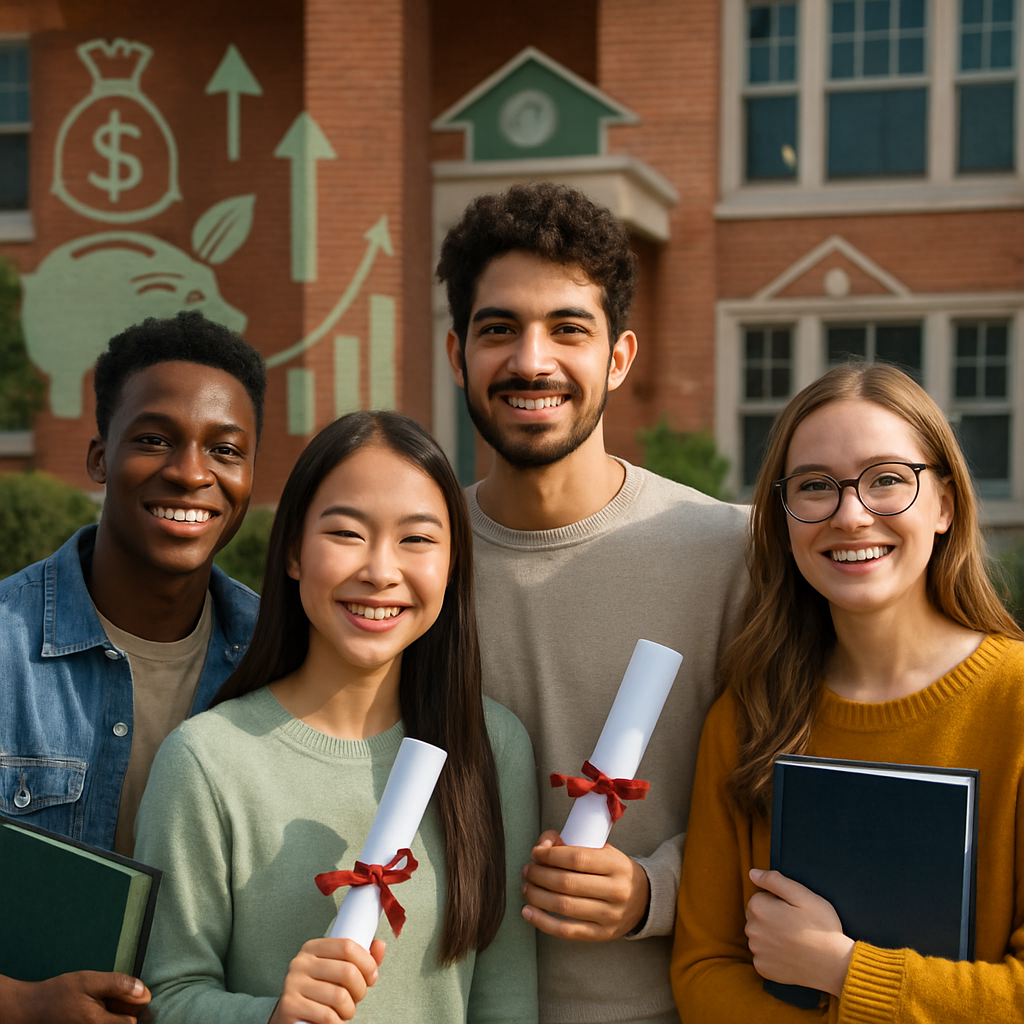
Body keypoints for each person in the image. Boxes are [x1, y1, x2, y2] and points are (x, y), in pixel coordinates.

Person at [437, 181, 748, 1024]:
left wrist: (656, 891)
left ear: (618, 357)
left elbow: (782, 794)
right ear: (458, 355)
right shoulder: (412, 564)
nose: (532, 361)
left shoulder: (728, 550)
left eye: (568, 328)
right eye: (500, 329)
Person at [133, 410, 539, 1024]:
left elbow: (504, 999)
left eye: (418, 539)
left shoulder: (492, 746)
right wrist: (272, 1014)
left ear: (454, 565)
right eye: (347, 534)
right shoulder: (208, 761)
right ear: (293, 551)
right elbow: (165, 995)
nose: (380, 571)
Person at [672, 361, 1024, 1022]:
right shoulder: (747, 718)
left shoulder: (1017, 702)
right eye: (815, 487)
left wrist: (842, 969)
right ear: (783, 517)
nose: (851, 515)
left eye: (888, 479)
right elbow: (703, 972)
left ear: (944, 504)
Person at [0, 309, 265, 1024]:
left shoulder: (281, 658)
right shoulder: (4, 648)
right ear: (98, 458)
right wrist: (20, 1004)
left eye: (226, 450)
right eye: (153, 440)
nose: (190, 473)